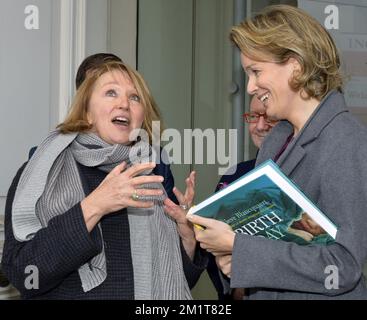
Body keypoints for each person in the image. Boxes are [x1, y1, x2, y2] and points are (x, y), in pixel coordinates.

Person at [187, 4, 367, 299]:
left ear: (295, 65)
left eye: (256, 72)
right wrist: (236, 258)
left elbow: (342, 266)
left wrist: (239, 247)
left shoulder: (345, 141)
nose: (250, 87)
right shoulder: (277, 139)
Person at [1, 59, 204, 299]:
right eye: (111, 93)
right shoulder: (43, 174)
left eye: (135, 97)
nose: (124, 104)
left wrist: (187, 237)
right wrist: (94, 206)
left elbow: (176, 282)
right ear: (86, 112)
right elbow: (25, 275)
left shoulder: (149, 176)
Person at [207, 95, 278, 300]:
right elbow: (213, 248)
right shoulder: (235, 174)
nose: (261, 126)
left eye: (269, 117)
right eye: (254, 116)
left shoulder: (305, 172)